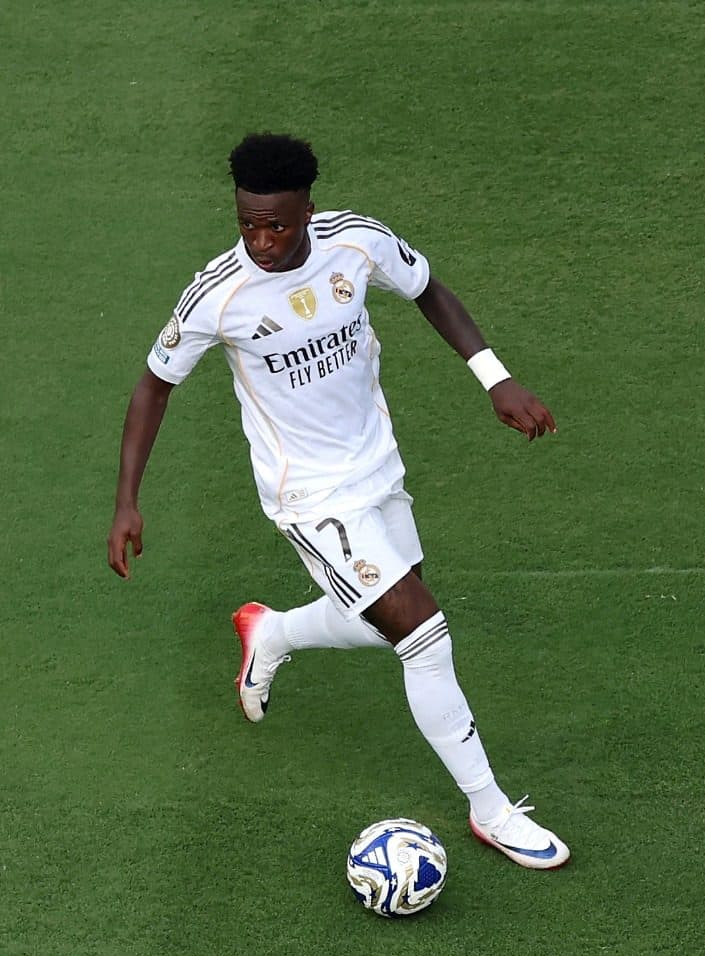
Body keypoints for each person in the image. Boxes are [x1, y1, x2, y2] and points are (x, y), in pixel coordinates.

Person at [107, 132, 568, 869]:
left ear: (308, 211)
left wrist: (495, 378)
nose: (261, 239)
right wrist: (128, 500)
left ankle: (274, 634)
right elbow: (153, 385)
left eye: (277, 225)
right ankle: (492, 809)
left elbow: (429, 292)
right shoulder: (217, 295)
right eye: (248, 223)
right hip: (308, 495)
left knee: (391, 626)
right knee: (423, 632)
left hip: (377, 469)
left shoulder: (356, 243)